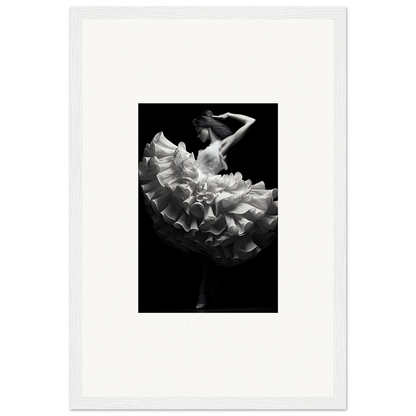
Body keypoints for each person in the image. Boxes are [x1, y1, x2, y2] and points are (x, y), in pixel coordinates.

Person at [139, 110, 278, 310]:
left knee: (207, 244)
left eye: (199, 131)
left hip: (210, 191)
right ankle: (204, 288)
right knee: (200, 245)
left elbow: (251, 121)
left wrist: (228, 115)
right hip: (196, 187)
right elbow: (195, 168)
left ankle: (204, 289)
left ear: (207, 127)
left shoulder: (223, 144)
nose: (197, 136)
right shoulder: (207, 147)